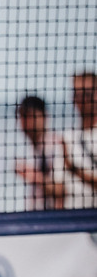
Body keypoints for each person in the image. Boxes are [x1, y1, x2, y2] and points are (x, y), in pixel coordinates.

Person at [14, 96, 65, 210]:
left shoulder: (56, 145)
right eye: (22, 116)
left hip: (55, 216)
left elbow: (61, 189)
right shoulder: (30, 148)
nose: (26, 122)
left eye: (30, 116)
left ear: (44, 116)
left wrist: (33, 175)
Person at [62, 72, 97, 209]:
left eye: (87, 94)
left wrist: (74, 169)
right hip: (72, 217)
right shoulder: (67, 138)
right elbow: (59, 187)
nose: (81, 100)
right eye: (77, 94)